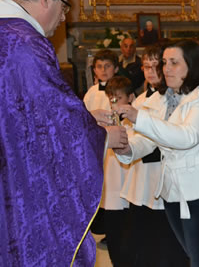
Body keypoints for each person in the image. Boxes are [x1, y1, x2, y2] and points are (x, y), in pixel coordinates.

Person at [0, 0, 127, 266]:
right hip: (7, 183)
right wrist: (102, 136)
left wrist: (85, 116)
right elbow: (49, 120)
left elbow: (22, 114)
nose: (64, 16)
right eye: (64, 5)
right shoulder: (25, 43)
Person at [113, 40, 199, 266]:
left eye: (174, 62)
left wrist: (139, 117)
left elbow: (186, 137)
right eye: (165, 62)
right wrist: (126, 147)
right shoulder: (167, 98)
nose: (165, 68)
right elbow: (149, 140)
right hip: (172, 191)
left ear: (192, 65)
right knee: (193, 256)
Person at [119, 48, 189, 266]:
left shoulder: (179, 99)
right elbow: (136, 137)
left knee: (167, 242)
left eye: (156, 66)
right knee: (141, 239)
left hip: (164, 173)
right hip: (142, 175)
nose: (151, 72)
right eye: (146, 67)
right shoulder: (140, 99)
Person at [83, 56, 131, 266]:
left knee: (120, 192)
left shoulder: (124, 92)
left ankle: (119, 233)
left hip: (120, 149)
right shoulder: (92, 93)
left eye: (107, 66)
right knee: (106, 193)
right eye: (99, 66)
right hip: (101, 149)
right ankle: (107, 230)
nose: (103, 70)